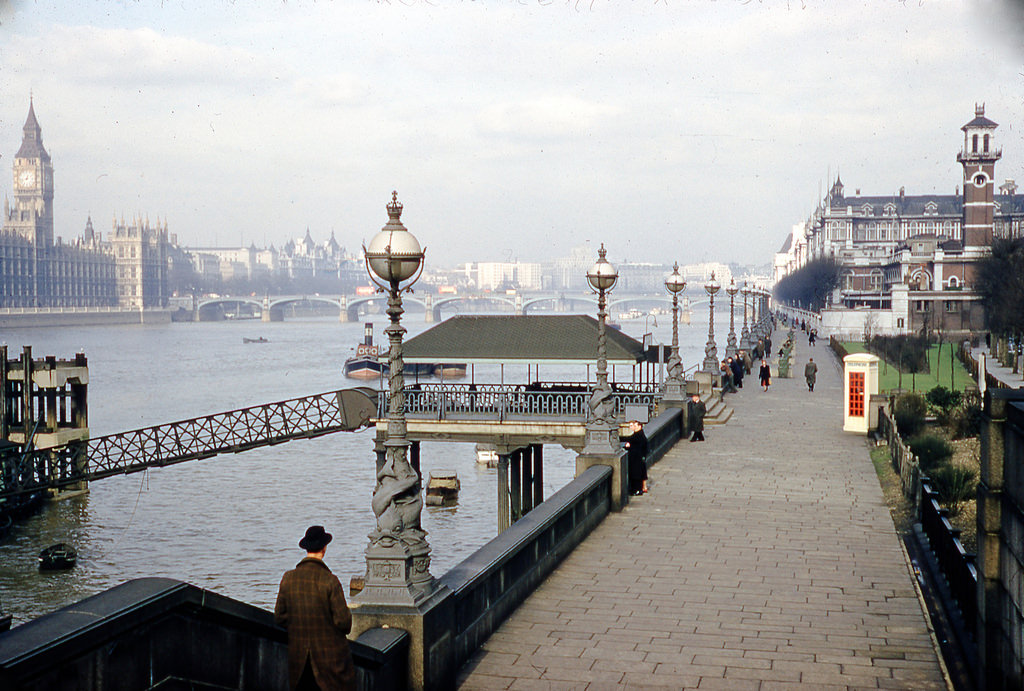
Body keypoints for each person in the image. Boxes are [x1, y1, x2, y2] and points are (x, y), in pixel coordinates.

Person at [275, 526, 355, 691]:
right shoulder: (330, 580)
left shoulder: (288, 578)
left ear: (306, 548)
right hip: (330, 663)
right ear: (324, 548)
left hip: (298, 660)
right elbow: (344, 623)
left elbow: (280, 617)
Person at [623, 419, 649, 495]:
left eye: (633, 425)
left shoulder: (639, 436)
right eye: (631, 425)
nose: (631, 427)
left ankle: (637, 490)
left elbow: (634, 445)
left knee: (636, 474)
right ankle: (641, 488)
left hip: (637, 458)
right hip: (638, 458)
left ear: (639, 426)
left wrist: (628, 447)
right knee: (639, 474)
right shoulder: (639, 434)